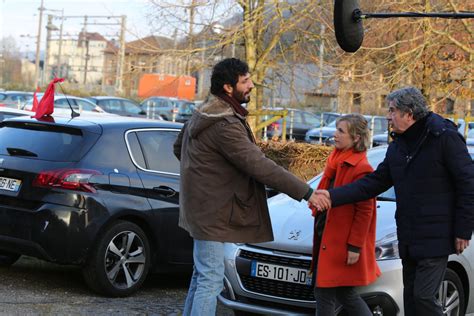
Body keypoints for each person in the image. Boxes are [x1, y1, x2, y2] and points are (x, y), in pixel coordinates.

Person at [173, 58, 321, 316]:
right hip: (213, 213)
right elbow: (259, 165)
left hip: (202, 210)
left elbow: (179, 149)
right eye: (245, 81)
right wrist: (306, 192)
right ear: (228, 88)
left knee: (202, 276)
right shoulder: (224, 124)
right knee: (210, 280)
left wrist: (205, 178)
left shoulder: (203, 112)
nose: (252, 85)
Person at [311, 87, 474, 316]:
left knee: (424, 297)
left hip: (437, 236)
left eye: (392, 110)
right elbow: (374, 183)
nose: (388, 116)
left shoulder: (444, 138)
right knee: (411, 299)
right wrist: (333, 196)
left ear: (409, 114)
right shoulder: (398, 145)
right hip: (408, 237)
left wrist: (463, 230)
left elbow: (468, 184)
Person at [311, 114, 380, 316]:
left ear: (356, 138)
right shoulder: (336, 159)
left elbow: (365, 211)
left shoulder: (361, 168)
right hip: (328, 238)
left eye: (341, 131)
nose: (335, 134)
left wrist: (354, 247)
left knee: (324, 291)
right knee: (343, 292)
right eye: (336, 129)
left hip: (340, 243)